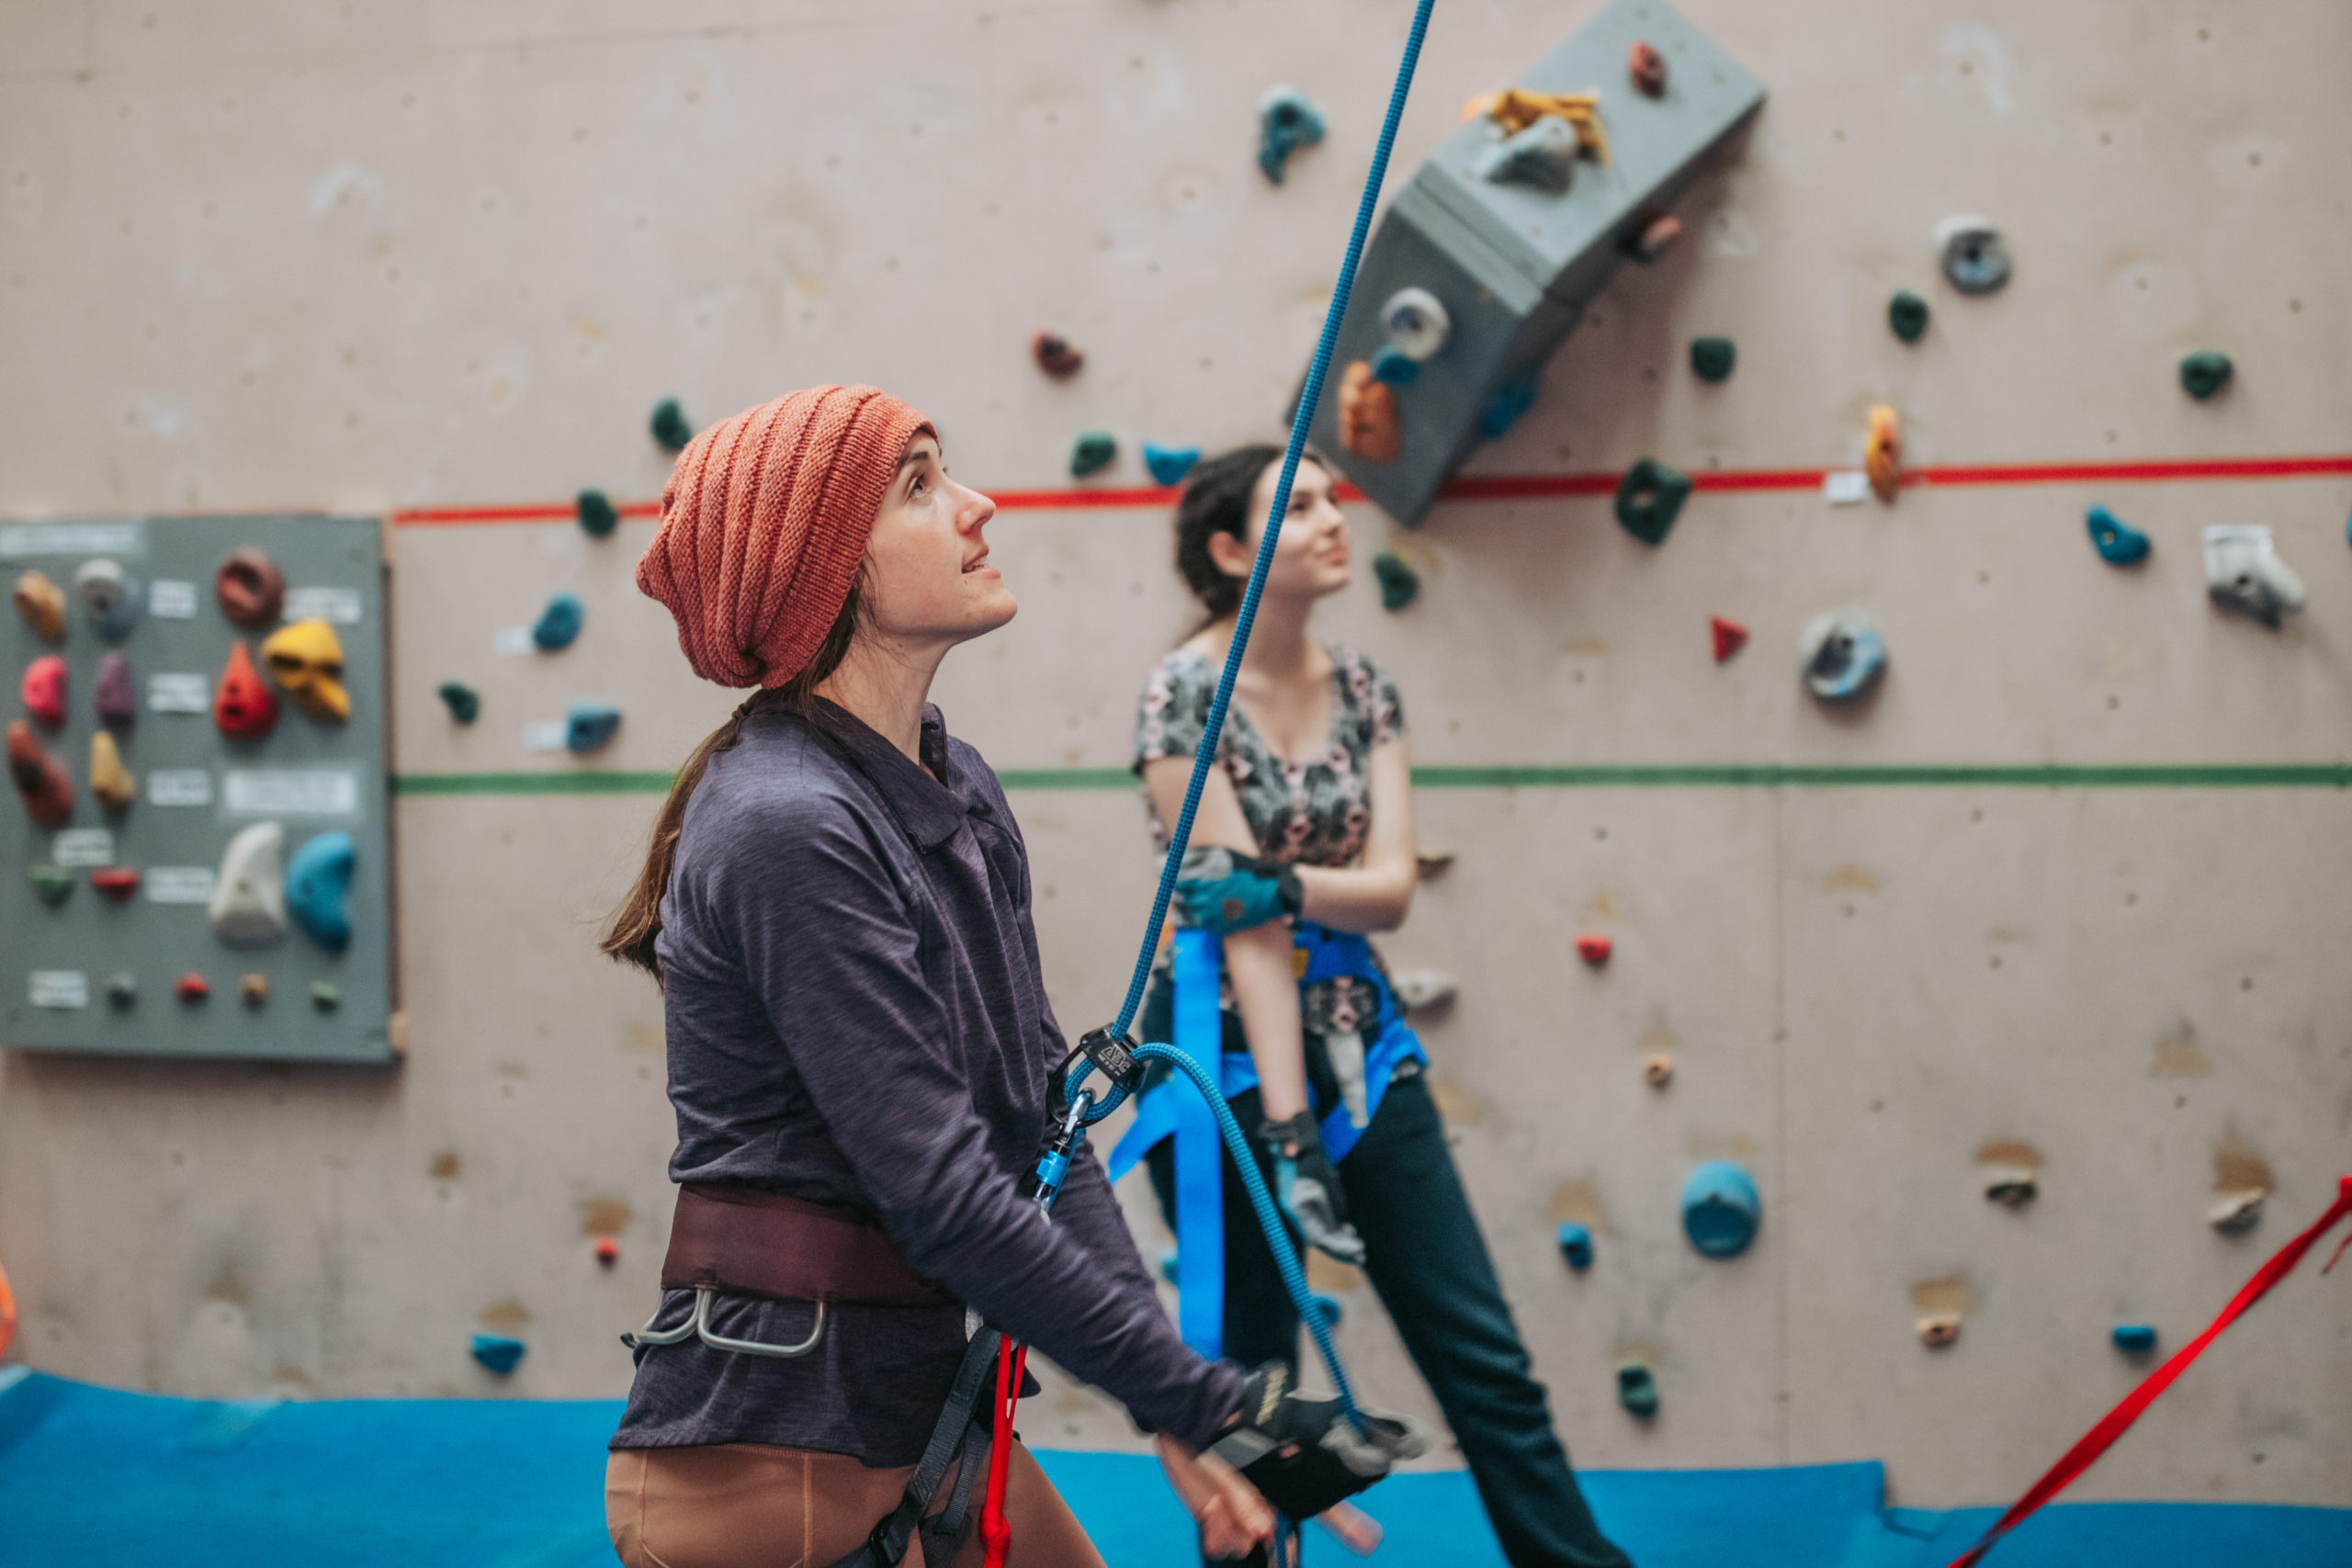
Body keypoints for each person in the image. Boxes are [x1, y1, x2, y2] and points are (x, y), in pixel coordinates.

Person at [598, 386, 1286, 1568]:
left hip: (913, 1422)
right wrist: (1196, 1396)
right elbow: (943, 1194)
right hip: (768, 1451)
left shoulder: (946, 778)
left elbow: (1036, 1121)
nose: (978, 506)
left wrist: (1165, 1400)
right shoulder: (785, 823)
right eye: (918, 485)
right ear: (827, 573)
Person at [1122, 446, 1634, 1568]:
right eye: (1297, 506)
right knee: (1252, 1385)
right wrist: (1293, 1136)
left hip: (1362, 1041)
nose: (1332, 518)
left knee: (1480, 1353)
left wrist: (1289, 884)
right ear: (1226, 551)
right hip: (1226, 1060)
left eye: (1333, 498)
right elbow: (1244, 936)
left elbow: (1393, 890)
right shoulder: (1184, 696)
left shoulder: (1363, 687)